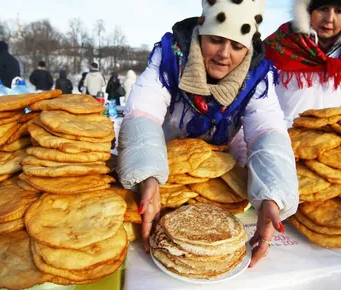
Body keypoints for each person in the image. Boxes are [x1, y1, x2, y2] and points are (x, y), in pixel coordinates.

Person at [117, 0, 298, 268]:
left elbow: (267, 130)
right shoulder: (170, 57)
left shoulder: (257, 77)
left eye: (237, 46)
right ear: (201, 31)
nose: (224, 54)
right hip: (167, 167)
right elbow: (144, 108)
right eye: (215, 40)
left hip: (224, 172)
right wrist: (148, 174)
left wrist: (273, 195)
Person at [265, 0, 341, 127]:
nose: (329, 19)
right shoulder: (277, 46)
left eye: (339, 11)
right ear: (307, 11)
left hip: (332, 142)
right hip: (281, 139)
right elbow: (253, 105)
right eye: (323, 9)